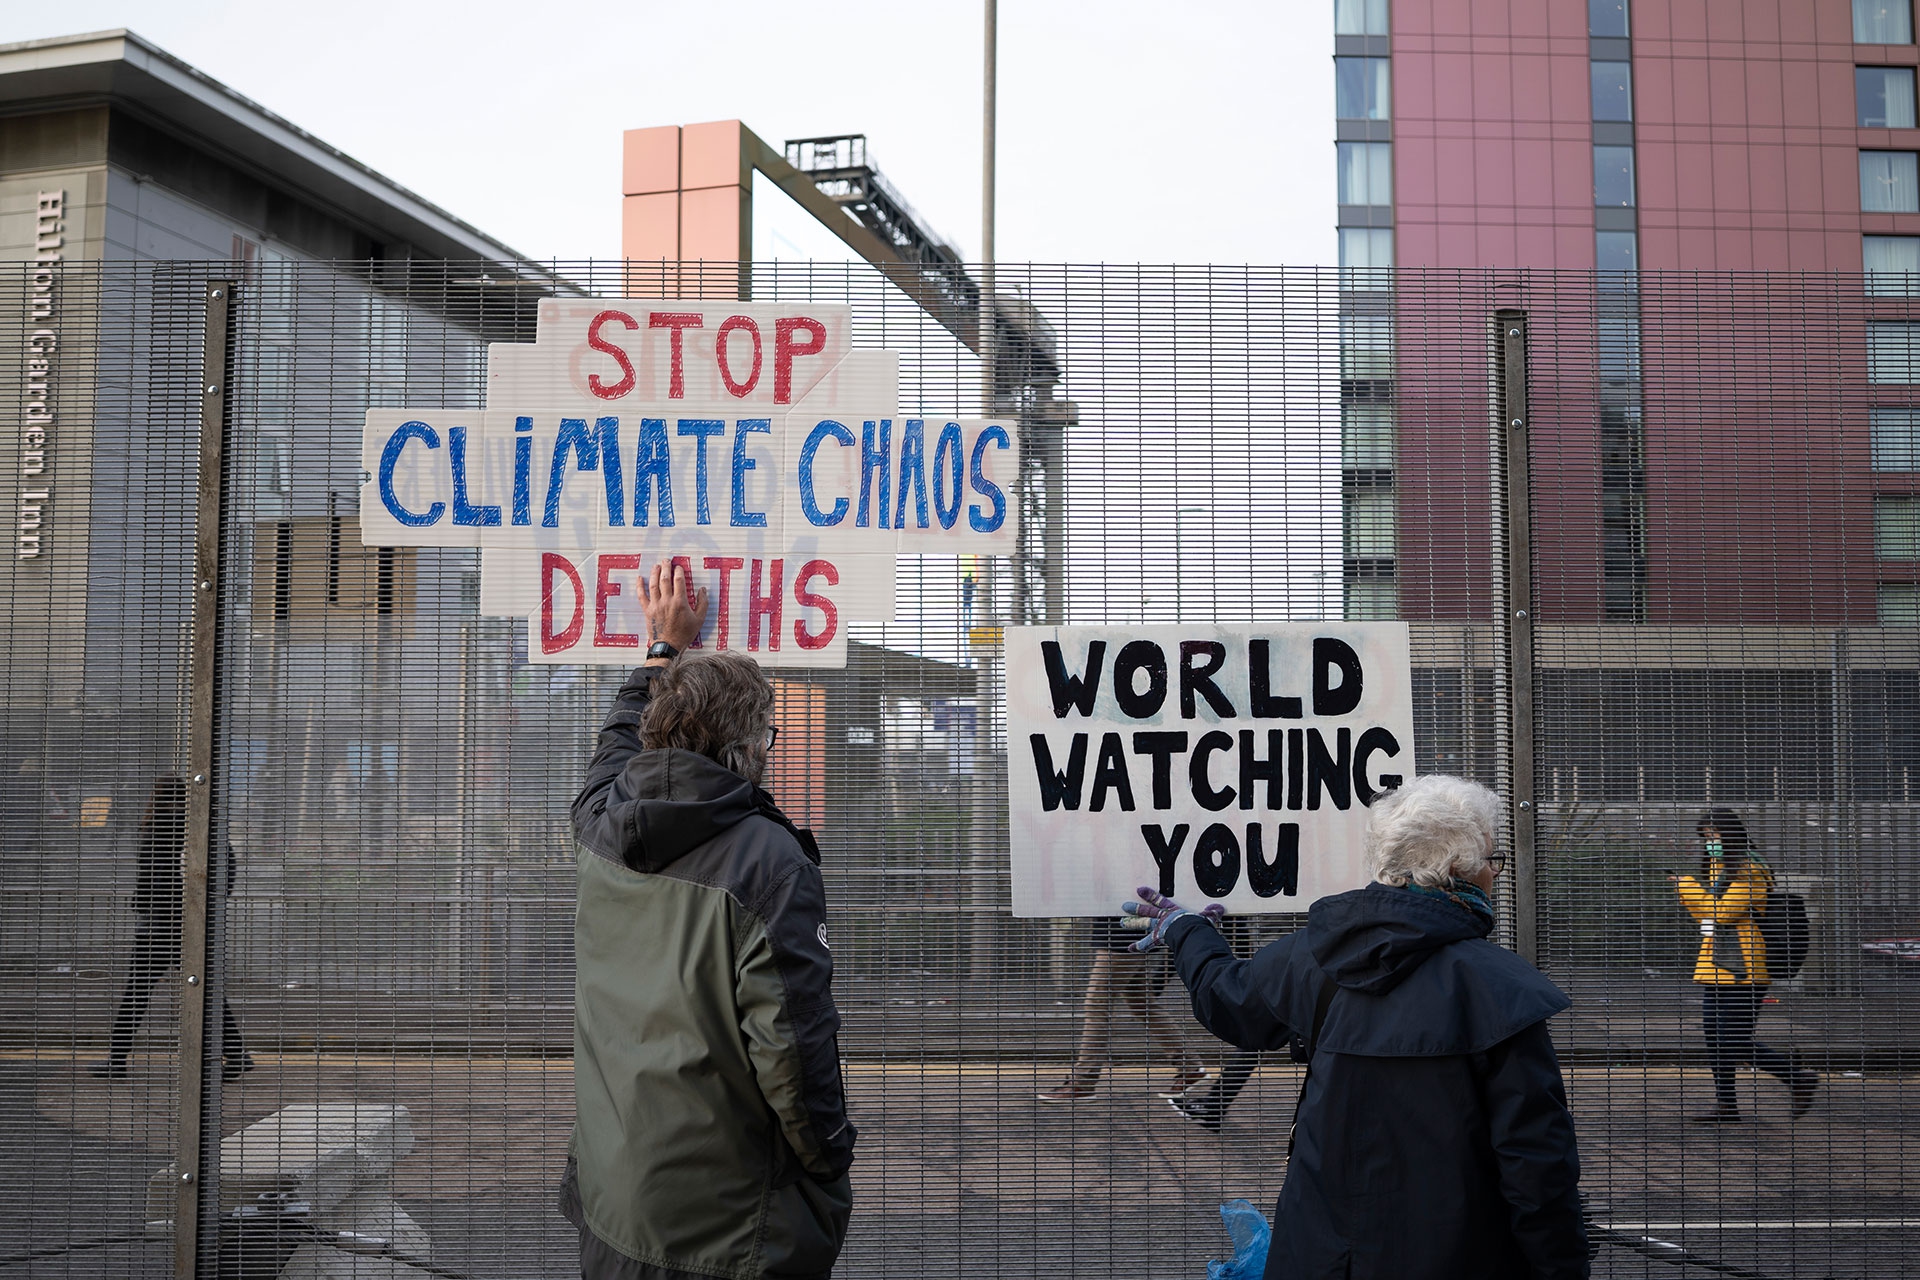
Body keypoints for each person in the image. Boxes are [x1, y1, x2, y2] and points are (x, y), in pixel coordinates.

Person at [1124, 775, 1590, 1279]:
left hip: (1320, 1253)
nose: (1495, 874)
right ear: (1460, 866)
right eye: (1493, 860)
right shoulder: (1502, 988)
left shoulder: (1315, 954)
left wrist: (1187, 930)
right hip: (1453, 1254)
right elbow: (1538, 1170)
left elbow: (1227, 1001)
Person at [559, 562, 855, 1280]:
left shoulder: (601, 826)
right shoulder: (769, 864)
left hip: (614, 1206)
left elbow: (612, 753)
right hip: (728, 1232)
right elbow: (791, 1048)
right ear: (749, 745)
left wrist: (660, 652)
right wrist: (827, 1160)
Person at [91, 775, 250, 1082]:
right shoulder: (203, 825)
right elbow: (226, 870)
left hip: (160, 924)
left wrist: (155, 911)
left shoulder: (162, 824)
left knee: (136, 993)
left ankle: (116, 1059)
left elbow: (155, 876)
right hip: (189, 923)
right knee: (204, 991)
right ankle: (238, 1052)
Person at [1673, 808, 1818, 1123]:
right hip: (1717, 965)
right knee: (1716, 1039)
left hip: (1746, 969)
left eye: (1713, 835)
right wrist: (1692, 895)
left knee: (1733, 1039)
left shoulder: (1750, 869)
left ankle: (1797, 1079)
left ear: (1730, 834)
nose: (1709, 843)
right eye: (1706, 837)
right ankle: (1727, 1105)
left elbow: (1724, 913)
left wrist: (1688, 887)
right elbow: (1709, 918)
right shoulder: (1720, 870)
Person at [1035, 916, 1208, 1103]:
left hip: (1121, 935)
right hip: (1129, 933)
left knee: (1097, 1004)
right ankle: (1190, 1067)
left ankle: (1082, 1083)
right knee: (1142, 1004)